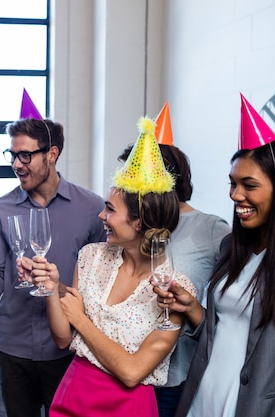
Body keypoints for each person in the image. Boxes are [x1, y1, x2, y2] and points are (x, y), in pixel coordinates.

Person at [157, 96, 275, 417]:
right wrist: (194, 309)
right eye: (233, 184)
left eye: (249, 185)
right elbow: (227, 334)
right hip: (202, 399)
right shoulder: (234, 246)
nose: (236, 195)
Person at [30, 116, 196, 415]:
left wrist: (81, 320)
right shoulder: (92, 256)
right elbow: (62, 338)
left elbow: (132, 372)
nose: (101, 217)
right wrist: (52, 289)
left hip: (127, 406)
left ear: (139, 221)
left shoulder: (174, 291)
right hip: (75, 392)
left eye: (110, 210)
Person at [0, 90, 106, 417]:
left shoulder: (93, 208)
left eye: (26, 155)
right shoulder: (0, 209)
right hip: (11, 345)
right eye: (12, 154)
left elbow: (99, 283)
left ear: (52, 154)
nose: (17, 164)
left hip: (69, 348)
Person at [119, 121, 230, 415]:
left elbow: (234, 306)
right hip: (120, 368)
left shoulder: (211, 230)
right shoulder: (129, 223)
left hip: (173, 375)